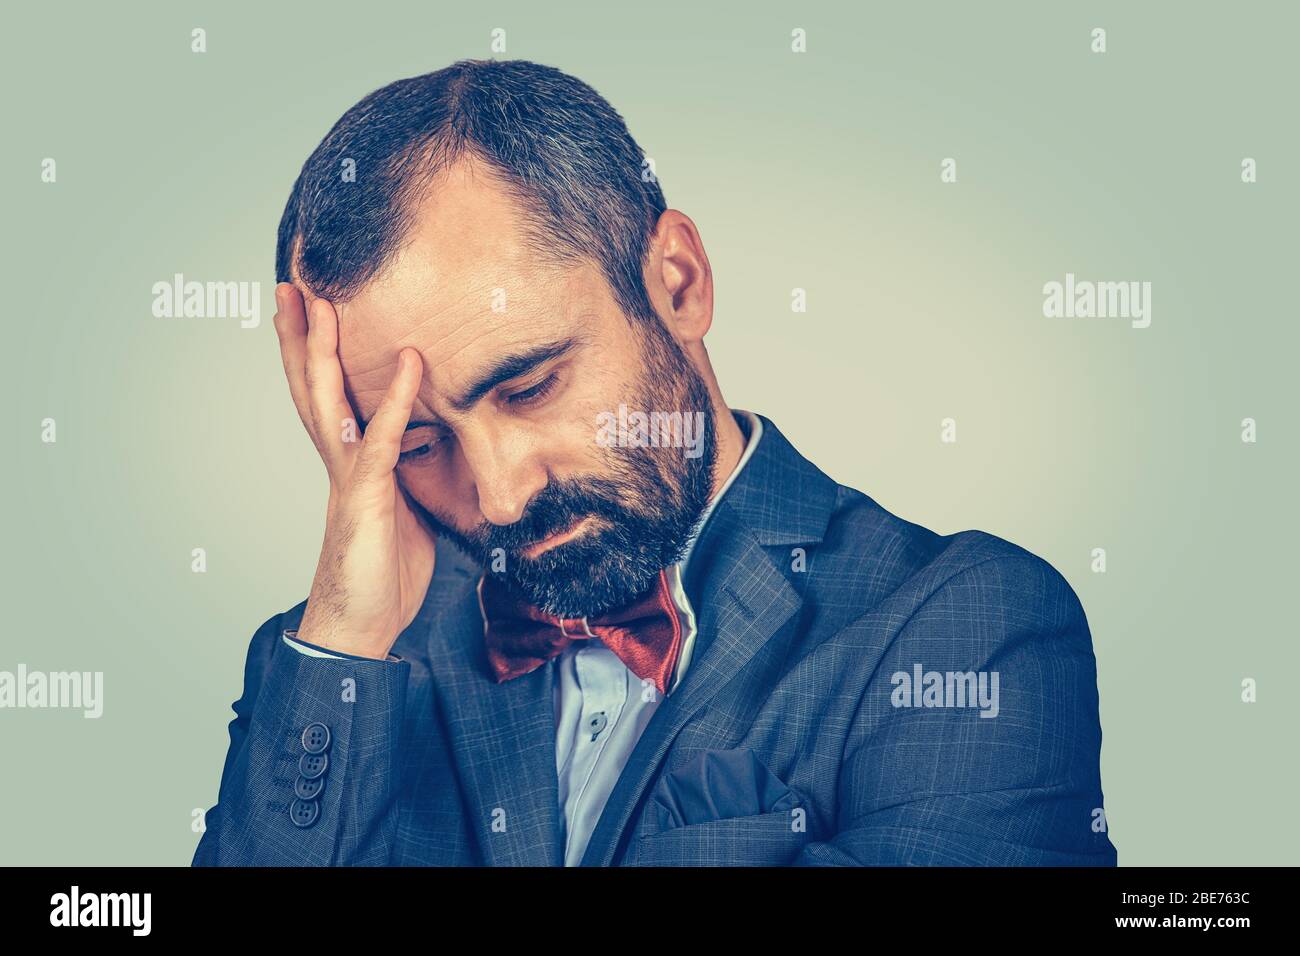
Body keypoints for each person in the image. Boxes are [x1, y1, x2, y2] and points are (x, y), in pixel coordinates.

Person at [192, 58, 1117, 866]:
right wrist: (343, 643)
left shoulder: (967, 627)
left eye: (529, 387)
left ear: (677, 281)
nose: (503, 497)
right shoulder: (340, 669)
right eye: (419, 444)